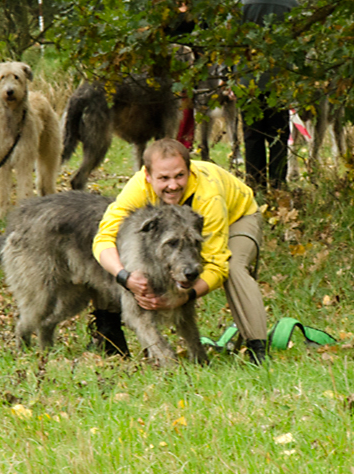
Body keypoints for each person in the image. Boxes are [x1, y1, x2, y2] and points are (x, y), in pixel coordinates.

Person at [92, 138, 269, 364]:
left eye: (179, 176)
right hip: (182, 224)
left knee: (233, 266)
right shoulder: (138, 186)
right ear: (148, 175)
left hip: (239, 217)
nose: (173, 185)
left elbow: (217, 264)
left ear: (190, 171)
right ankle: (108, 328)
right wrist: (124, 277)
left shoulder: (208, 196)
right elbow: (104, 237)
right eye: (164, 178)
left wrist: (184, 297)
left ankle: (257, 348)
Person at [239, 0, 299, 191]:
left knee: (252, 137)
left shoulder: (242, 3)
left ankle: (254, 187)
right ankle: (278, 186)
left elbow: (231, 46)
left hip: (248, 82)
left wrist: (230, 77)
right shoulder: (292, 5)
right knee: (278, 137)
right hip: (279, 83)